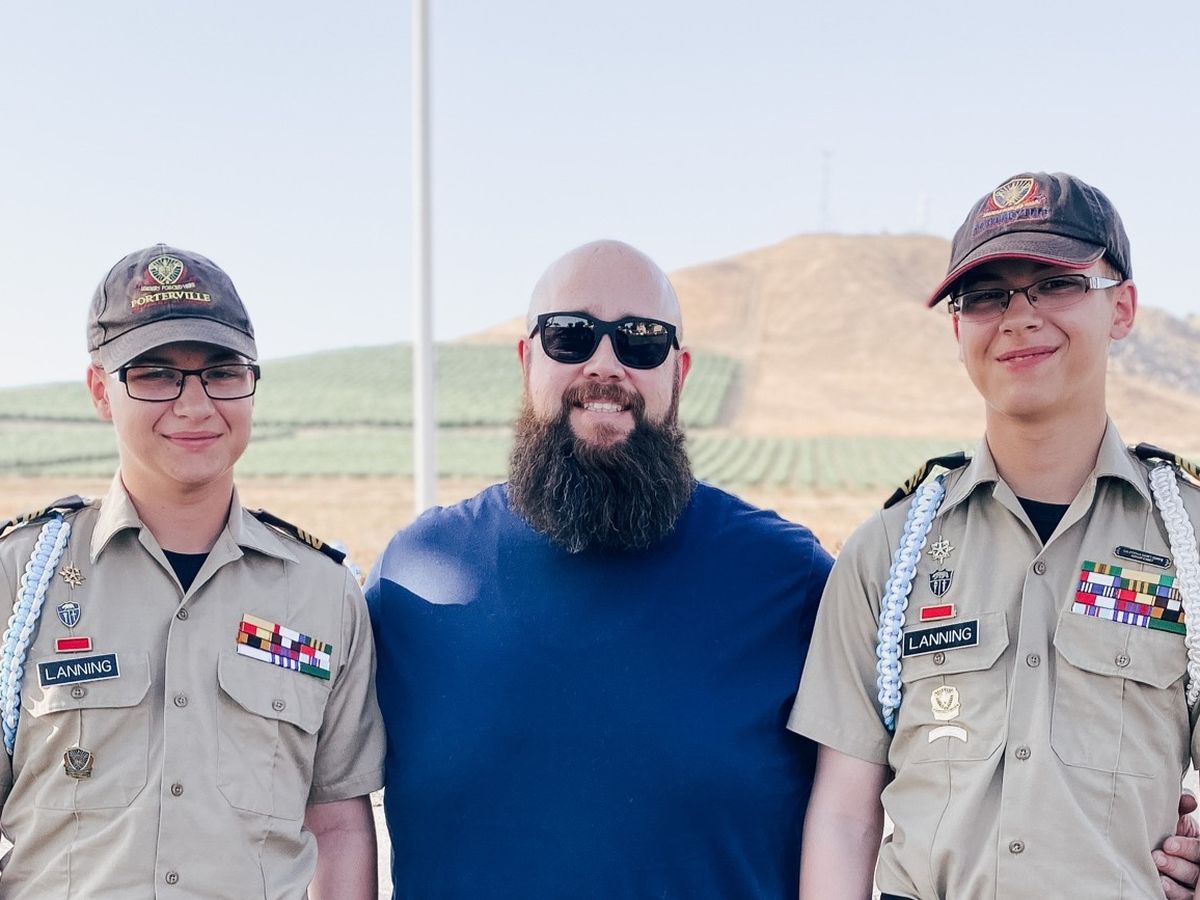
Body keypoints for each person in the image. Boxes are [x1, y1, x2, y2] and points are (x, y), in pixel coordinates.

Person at [366, 239, 832, 898]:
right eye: (571, 336)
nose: (605, 364)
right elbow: (319, 808)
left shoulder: (792, 582)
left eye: (642, 341)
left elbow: (870, 811)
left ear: (680, 371)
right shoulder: (413, 577)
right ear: (527, 360)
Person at [790, 172, 1200, 900]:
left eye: (1055, 284)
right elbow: (845, 815)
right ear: (958, 331)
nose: (1018, 318)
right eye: (985, 297)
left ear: (1123, 308)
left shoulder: (1189, 541)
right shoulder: (888, 552)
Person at [0, 245, 385, 898]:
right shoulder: (21, 577)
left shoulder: (322, 594)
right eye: (155, 375)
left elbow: (338, 821)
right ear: (100, 391)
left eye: (222, 372)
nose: (196, 404)